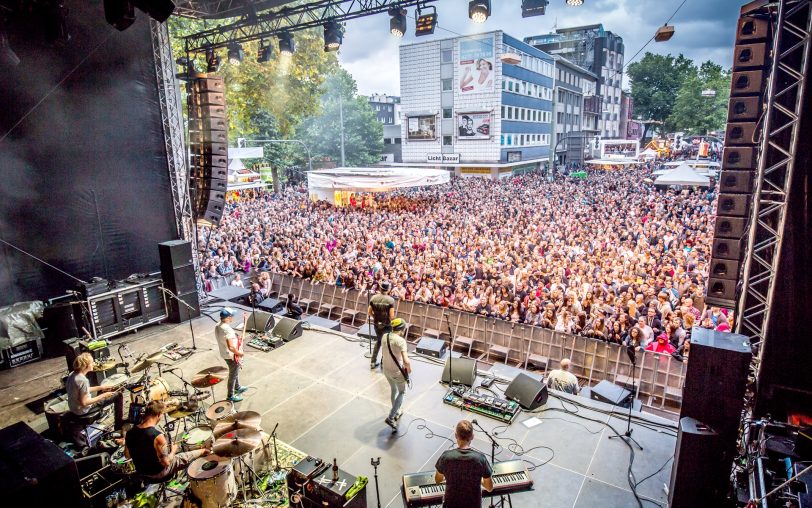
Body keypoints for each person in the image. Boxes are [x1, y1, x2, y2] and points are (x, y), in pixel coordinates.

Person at [124, 401, 208, 481]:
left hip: (141, 472)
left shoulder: (129, 433)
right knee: (192, 454)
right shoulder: (157, 436)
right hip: (159, 474)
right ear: (158, 415)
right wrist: (173, 451)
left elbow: (127, 455)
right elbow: (166, 463)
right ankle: (205, 453)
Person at [64, 352, 123, 448]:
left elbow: (84, 390)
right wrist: (104, 395)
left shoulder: (73, 375)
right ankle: (118, 424)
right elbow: (85, 402)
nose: (94, 364)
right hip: (83, 410)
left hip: (74, 407)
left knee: (103, 393)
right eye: (92, 363)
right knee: (118, 395)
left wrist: (101, 387)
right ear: (86, 366)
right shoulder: (83, 380)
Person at [434, 420, 494, 508]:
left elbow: (438, 480)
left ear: (455, 435)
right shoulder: (480, 459)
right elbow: (489, 488)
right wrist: (478, 480)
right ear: (472, 437)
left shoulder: (446, 457)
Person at [383, 318, 411, 431]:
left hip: (385, 369)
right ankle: (391, 417)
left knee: (393, 390)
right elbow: (406, 361)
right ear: (402, 329)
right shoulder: (401, 341)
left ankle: (397, 411)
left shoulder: (385, 336)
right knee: (402, 392)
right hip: (396, 371)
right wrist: (408, 369)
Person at [216, 308, 247, 402]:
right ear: (228, 317)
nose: (232, 317)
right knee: (233, 375)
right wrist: (240, 353)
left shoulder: (218, 325)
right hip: (231, 356)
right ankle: (230, 395)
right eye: (231, 316)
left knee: (235, 371)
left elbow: (226, 340)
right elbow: (231, 347)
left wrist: (237, 339)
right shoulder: (227, 330)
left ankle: (237, 387)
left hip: (224, 353)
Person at [368, 281, 395, 370]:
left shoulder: (373, 298)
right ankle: (383, 363)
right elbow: (391, 316)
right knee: (386, 344)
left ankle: (373, 362)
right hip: (387, 325)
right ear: (388, 290)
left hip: (376, 324)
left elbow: (369, 312)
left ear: (380, 288)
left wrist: (375, 317)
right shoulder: (390, 300)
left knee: (379, 341)